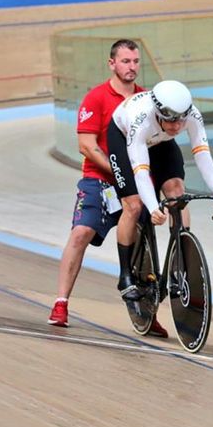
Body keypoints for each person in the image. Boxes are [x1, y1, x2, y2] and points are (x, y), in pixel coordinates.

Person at [47, 39, 154, 331]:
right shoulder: (96, 98)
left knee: (146, 240)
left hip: (132, 184)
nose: (131, 67)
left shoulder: (146, 98)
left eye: (135, 61)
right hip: (100, 180)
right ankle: (61, 303)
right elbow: (86, 146)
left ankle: (147, 310)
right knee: (81, 232)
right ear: (112, 64)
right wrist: (120, 173)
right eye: (125, 61)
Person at [107, 79, 213, 304]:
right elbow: (141, 173)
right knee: (134, 205)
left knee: (177, 192)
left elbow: (202, 154)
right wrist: (153, 208)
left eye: (180, 121)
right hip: (125, 137)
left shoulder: (192, 115)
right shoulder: (140, 120)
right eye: (169, 120)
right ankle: (125, 275)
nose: (176, 127)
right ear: (157, 112)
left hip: (160, 141)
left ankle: (178, 264)